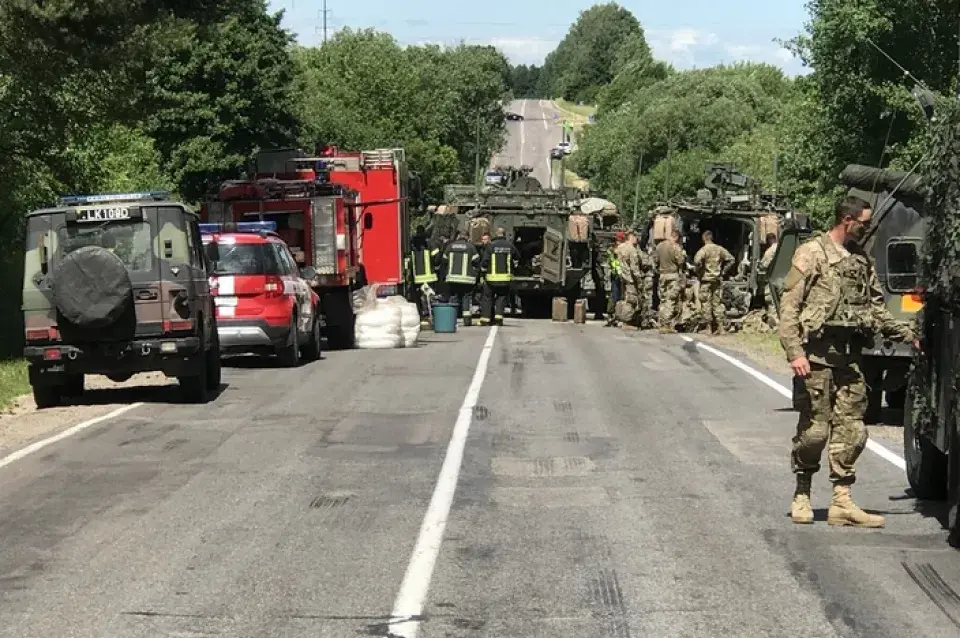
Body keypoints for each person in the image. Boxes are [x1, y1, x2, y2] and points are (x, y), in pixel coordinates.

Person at [779, 196, 917, 528]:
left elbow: (876, 307)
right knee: (814, 432)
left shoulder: (860, 260)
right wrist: (795, 352)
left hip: (849, 360)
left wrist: (907, 333)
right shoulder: (811, 253)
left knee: (853, 431)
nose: (867, 228)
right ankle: (802, 494)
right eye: (864, 223)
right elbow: (789, 307)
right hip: (814, 359)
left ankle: (842, 501)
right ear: (846, 220)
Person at [693, 230, 735, 335]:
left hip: (706, 280)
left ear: (704, 238)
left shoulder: (703, 250)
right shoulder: (719, 249)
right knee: (717, 303)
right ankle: (721, 328)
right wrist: (723, 271)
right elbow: (731, 259)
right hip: (716, 279)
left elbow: (696, 261)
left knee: (706, 303)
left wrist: (699, 271)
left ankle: (708, 328)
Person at [479, 227, 519, 326]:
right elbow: (518, 256)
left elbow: (485, 261)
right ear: (504, 234)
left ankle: (485, 319)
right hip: (505, 279)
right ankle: (499, 318)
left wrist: (483, 272)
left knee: (487, 298)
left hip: (491, 279)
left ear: (495, 234)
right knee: (501, 297)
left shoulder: (490, 246)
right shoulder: (510, 246)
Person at [441, 230, 480, 326]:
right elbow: (477, 261)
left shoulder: (450, 246)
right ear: (467, 237)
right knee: (466, 298)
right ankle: (466, 321)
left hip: (452, 278)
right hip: (467, 279)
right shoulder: (471, 247)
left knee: (454, 297)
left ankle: (451, 320)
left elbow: (444, 260)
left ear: (458, 236)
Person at [408, 226, 441, 326]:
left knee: (418, 297)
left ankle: (422, 316)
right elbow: (437, 257)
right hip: (429, 275)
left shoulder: (411, 243)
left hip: (416, 276)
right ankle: (432, 316)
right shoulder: (429, 243)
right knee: (429, 296)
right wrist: (436, 266)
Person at [655, 229, 686, 332]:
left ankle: (661, 321)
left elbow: (655, 260)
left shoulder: (659, 246)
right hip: (673, 276)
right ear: (676, 237)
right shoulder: (675, 247)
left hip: (662, 275)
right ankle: (666, 324)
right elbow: (680, 261)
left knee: (663, 299)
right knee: (671, 300)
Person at [614, 231, 642, 328]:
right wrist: (639, 281)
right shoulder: (631, 250)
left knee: (625, 298)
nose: (636, 239)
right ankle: (626, 322)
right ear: (631, 237)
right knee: (631, 300)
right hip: (630, 279)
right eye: (635, 237)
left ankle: (619, 318)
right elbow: (634, 269)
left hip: (623, 276)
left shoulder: (620, 247)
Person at [759, 232, 779, 328]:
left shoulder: (770, 251)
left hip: (771, 279)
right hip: (782, 279)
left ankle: (775, 323)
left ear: (769, 240)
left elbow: (764, 265)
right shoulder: (782, 247)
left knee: (771, 301)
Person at [605, 232, 624, 327]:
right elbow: (615, 263)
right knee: (615, 296)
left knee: (618, 296)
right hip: (617, 275)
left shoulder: (614, 250)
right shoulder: (614, 251)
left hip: (619, 275)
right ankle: (612, 315)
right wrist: (620, 273)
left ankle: (615, 315)